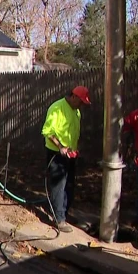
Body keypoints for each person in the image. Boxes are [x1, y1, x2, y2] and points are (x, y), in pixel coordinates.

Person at [41, 85, 90, 233]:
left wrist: (74, 148)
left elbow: (74, 132)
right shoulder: (57, 108)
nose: (81, 105)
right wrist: (61, 146)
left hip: (70, 154)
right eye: (80, 102)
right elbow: (47, 131)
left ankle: (64, 213)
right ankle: (59, 219)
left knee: (69, 185)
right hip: (57, 154)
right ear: (73, 96)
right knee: (59, 186)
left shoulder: (76, 111)